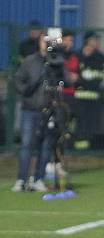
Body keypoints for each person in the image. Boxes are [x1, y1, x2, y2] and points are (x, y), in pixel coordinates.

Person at [12, 35, 65, 192]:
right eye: (44, 40)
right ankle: (21, 179)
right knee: (27, 145)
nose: (47, 44)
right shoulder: (30, 61)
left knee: (46, 145)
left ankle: (39, 179)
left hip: (49, 110)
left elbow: (64, 80)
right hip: (30, 109)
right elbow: (18, 80)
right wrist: (26, 92)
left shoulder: (56, 61)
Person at [73, 31, 104, 150]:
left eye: (98, 40)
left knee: (91, 124)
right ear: (88, 41)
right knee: (80, 122)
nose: (97, 42)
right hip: (80, 96)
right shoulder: (78, 55)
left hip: (95, 97)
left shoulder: (100, 57)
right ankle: (77, 148)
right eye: (95, 40)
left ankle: (87, 148)